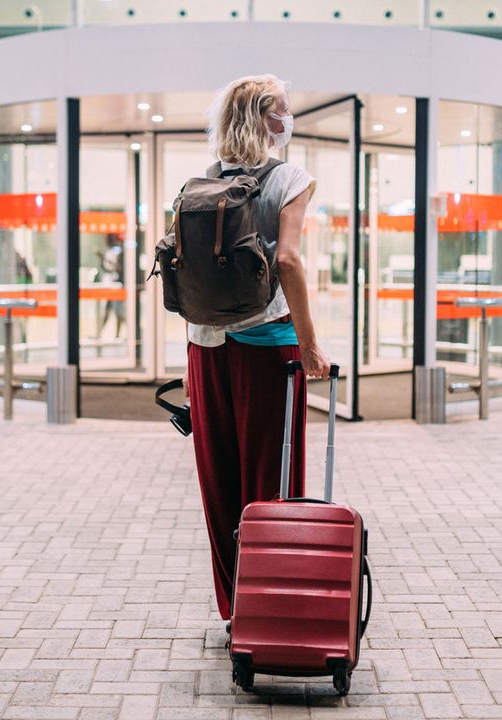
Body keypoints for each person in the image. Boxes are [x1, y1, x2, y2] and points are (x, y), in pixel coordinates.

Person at [185, 74, 329, 624]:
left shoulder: (205, 179)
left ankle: (234, 608)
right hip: (267, 345)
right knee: (271, 480)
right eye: (283, 111)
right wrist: (311, 346)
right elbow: (288, 261)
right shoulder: (290, 175)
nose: (288, 119)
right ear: (266, 120)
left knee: (219, 480)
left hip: (206, 346)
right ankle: (270, 607)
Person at [96, 234, 126, 339]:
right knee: (108, 310)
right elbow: (107, 268)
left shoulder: (118, 251)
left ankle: (118, 334)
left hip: (117, 284)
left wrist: (104, 258)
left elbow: (117, 268)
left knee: (118, 311)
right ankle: (99, 334)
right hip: (111, 284)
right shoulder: (112, 251)